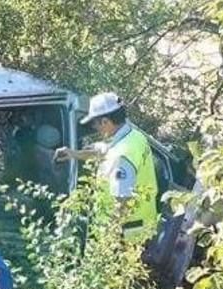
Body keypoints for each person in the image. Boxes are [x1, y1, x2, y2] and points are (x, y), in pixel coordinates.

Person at [54, 92, 159, 240]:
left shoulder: (122, 156)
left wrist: (108, 241)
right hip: (143, 225)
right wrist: (73, 154)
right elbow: (104, 151)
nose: (94, 128)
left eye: (94, 124)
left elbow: (122, 202)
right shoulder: (135, 137)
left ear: (105, 121)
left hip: (126, 236)